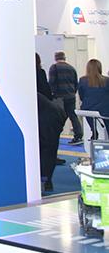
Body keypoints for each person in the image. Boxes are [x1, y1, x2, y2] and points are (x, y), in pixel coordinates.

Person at [36, 53, 64, 193]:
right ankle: (45, 180)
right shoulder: (40, 72)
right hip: (47, 112)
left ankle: (45, 180)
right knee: (48, 149)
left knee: (46, 148)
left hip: (47, 116)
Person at [49, 51, 82, 145]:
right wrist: (72, 92)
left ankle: (54, 136)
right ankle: (78, 135)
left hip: (59, 97)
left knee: (58, 118)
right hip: (71, 96)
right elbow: (76, 83)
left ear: (55, 58)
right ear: (64, 58)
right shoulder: (71, 68)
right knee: (73, 116)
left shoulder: (54, 68)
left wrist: (53, 95)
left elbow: (52, 83)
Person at [78, 59, 109, 140]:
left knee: (87, 110)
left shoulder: (82, 80)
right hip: (104, 110)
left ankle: (93, 130)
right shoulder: (107, 80)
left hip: (88, 108)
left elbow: (81, 96)